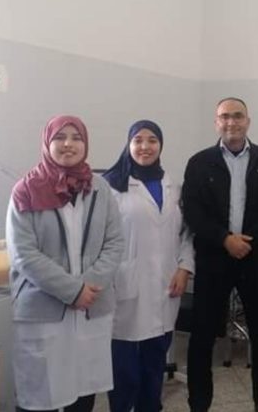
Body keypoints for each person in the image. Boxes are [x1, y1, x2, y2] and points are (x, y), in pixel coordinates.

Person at [6, 115, 124, 412]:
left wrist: (89, 286)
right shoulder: (26, 190)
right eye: (60, 137)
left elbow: (114, 242)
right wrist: (72, 291)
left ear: (86, 144)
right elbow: (23, 253)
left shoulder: (100, 188)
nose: (68, 144)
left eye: (76, 137)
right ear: (47, 142)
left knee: (83, 391)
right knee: (40, 396)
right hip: (43, 308)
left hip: (91, 306)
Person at [181, 97, 258, 412]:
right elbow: (193, 210)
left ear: (248, 121)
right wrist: (224, 239)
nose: (232, 122)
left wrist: (248, 241)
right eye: (225, 116)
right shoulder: (199, 163)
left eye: (238, 116)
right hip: (214, 259)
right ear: (216, 122)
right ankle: (199, 403)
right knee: (202, 334)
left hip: (256, 260)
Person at [103, 120, 195, 412]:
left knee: (155, 362)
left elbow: (187, 233)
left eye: (152, 140)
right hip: (124, 286)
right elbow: (98, 239)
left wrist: (184, 268)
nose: (145, 146)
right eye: (138, 140)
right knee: (124, 368)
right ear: (128, 144)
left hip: (166, 284)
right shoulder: (110, 187)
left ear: (161, 145)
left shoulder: (172, 185)